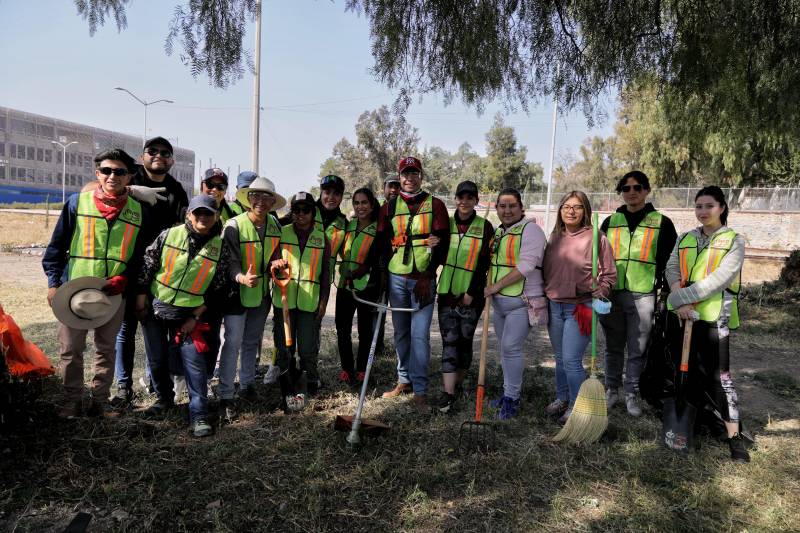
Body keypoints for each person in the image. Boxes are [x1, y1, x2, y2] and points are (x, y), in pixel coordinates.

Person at [42, 148, 146, 418]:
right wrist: (54, 283)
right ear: (97, 174)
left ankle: (100, 401)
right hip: (74, 291)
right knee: (70, 350)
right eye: (107, 170)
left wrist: (126, 278)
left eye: (120, 171)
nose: (113, 176)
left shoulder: (138, 211)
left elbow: (139, 256)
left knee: (106, 349)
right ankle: (71, 400)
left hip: (113, 294)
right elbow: (55, 248)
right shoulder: (77, 203)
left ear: (129, 176)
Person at [135, 195, 233, 436]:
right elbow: (147, 265)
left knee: (195, 366)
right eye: (198, 212)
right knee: (157, 360)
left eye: (208, 213)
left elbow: (217, 291)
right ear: (189, 214)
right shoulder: (169, 235)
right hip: (157, 310)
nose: (203, 217)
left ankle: (199, 415)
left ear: (216, 216)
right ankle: (164, 399)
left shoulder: (220, 249)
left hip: (189, 316)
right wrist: (140, 300)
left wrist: (195, 318)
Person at [665, 186, 750, 462]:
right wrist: (681, 304)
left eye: (709, 206)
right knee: (687, 372)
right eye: (699, 206)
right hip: (685, 318)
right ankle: (694, 423)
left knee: (720, 379)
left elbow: (720, 279)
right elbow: (672, 268)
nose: (703, 212)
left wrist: (678, 299)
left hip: (716, 319)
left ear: (722, 208)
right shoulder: (685, 238)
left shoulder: (734, 240)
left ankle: (735, 437)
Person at [111, 136, 189, 405]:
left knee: (154, 329)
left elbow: (184, 228)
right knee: (125, 330)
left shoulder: (176, 189)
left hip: (158, 272)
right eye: (152, 151)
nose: (158, 156)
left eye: (165, 153)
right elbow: (93, 191)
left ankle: (157, 385)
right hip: (124, 266)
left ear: (172, 160)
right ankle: (123, 387)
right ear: (142, 156)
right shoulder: (127, 176)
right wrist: (130, 191)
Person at [600, 171, 677, 417]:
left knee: (638, 348)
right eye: (626, 188)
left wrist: (665, 293)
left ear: (646, 190)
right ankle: (611, 390)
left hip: (643, 294)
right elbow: (598, 258)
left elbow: (669, 261)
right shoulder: (609, 222)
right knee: (613, 346)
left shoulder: (661, 222)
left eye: (637, 187)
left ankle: (632, 393)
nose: (631, 192)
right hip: (612, 293)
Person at [376, 156, 450, 413]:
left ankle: (420, 390)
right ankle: (403, 380)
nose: (409, 178)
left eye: (414, 173)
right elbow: (382, 241)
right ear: (399, 176)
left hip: (423, 281)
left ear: (421, 175)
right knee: (401, 333)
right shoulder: (389, 206)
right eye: (405, 174)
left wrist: (429, 274)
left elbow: (443, 243)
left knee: (419, 336)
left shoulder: (436, 205)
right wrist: (385, 273)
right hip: (397, 279)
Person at [542, 191, 616, 424]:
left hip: (581, 307)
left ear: (586, 211)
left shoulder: (596, 237)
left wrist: (601, 289)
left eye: (577, 207)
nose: (571, 211)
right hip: (555, 305)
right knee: (561, 358)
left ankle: (577, 405)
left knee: (572, 360)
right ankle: (562, 397)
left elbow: (610, 274)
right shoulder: (554, 237)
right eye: (566, 206)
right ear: (560, 210)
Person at [217, 178, 285, 419]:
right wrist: (239, 277)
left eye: (267, 198)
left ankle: (246, 385)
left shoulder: (275, 226)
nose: (261, 202)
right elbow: (228, 261)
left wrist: (276, 262)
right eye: (256, 196)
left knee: (251, 341)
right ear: (248, 199)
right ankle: (225, 393)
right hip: (236, 294)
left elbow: (276, 255)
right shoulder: (234, 225)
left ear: (272, 202)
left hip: (261, 295)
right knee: (232, 342)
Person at [481, 188, 546, 419]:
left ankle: (513, 398)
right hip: (500, 305)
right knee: (505, 350)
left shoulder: (532, 231)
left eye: (512, 206)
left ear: (521, 207)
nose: (507, 210)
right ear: (497, 208)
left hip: (523, 302)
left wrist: (496, 287)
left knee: (511, 347)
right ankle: (508, 393)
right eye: (502, 206)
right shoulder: (499, 232)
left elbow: (526, 266)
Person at [435, 181, 494, 414]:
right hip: (447, 294)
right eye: (461, 196)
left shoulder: (485, 226)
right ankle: (448, 393)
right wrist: (432, 245)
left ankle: (458, 382)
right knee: (449, 342)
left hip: (472, 296)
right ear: (455, 198)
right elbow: (438, 255)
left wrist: (471, 292)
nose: (465, 201)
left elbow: (484, 264)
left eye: (470, 197)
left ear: (476, 200)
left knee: (464, 341)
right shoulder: (445, 224)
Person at [270, 192, 332, 405]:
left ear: (313, 213)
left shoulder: (322, 238)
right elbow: (269, 262)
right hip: (284, 301)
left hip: (310, 302)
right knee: (284, 346)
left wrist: (323, 302)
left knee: (307, 348)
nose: (301, 214)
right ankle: (286, 383)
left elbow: (326, 274)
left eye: (306, 210)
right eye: (296, 210)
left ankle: (311, 381)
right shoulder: (280, 233)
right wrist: (274, 266)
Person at [335, 188, 380, 385]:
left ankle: (362, 370)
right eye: (356, 203)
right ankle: (346, 368)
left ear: (371, 205)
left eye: (364, 203)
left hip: (367, 287)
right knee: (342, 328)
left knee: (365, 330)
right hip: (345, 285)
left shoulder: (378, 229)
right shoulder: (349, 226)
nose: (360, 207)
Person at [315, 174, 348, 287]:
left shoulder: (344, 222)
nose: (331, 197)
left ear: (342, 197)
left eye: (337, 193)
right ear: (321, 193)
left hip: (324, 281)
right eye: (327, 192)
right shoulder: (304, 211)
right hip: (298, 280)